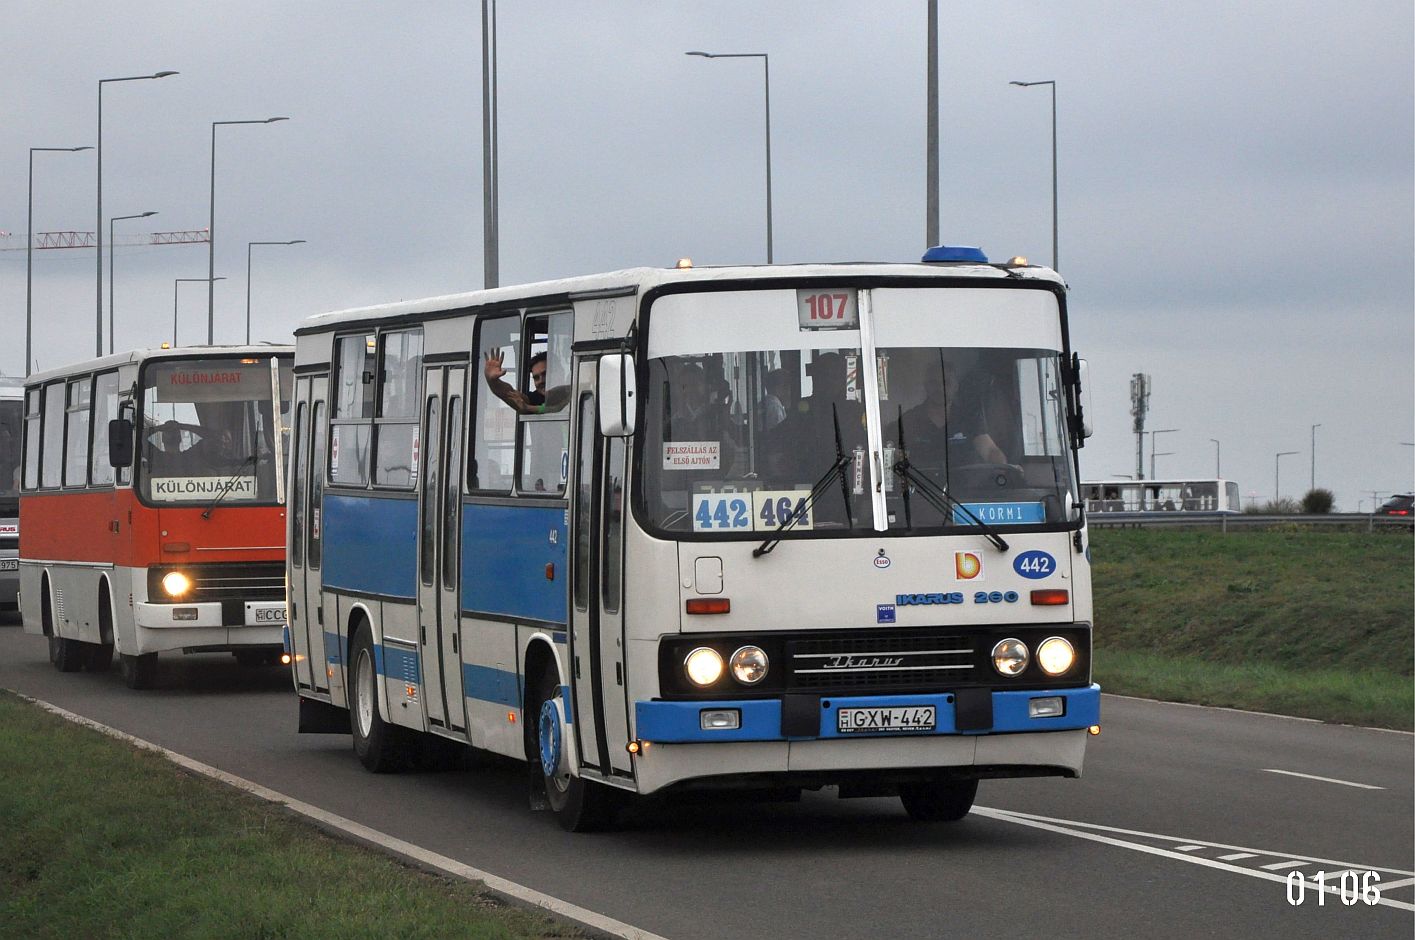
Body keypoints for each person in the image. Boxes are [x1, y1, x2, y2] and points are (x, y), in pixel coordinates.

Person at [890, 357, 1008, 471]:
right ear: (926, 386)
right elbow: (894, 459)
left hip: (965, 490)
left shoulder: (969, 418)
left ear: (956, 386)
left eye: (946, 383)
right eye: (934, 383)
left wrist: (1004, 468)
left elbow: (989, 451)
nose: (940, 388)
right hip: (921, 489)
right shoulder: (909, 420)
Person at [483, 349, 568, 415]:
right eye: (536, 378)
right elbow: (509, 394)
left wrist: (528, 408)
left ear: (560, 372)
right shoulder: (535, 399)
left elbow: (558, 408)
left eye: (545, 374)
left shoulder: (574, 391)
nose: (541, 381)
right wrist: (493, 382)